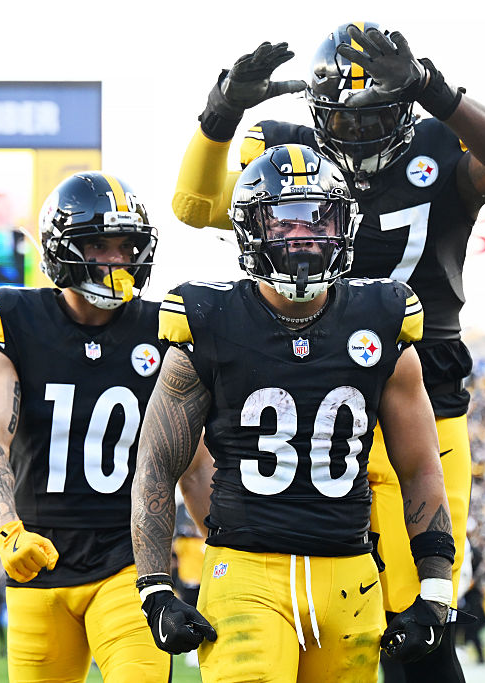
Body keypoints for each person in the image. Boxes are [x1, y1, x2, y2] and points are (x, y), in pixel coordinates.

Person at [172, 23, 485, 683]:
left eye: (374, 116)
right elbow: (195, 203)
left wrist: (435, 89)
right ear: (315, 113)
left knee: (421, 620)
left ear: (406, 109)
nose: (357, 131)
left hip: (420, 398)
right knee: (307, 614)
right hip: (306, 402)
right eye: (341, 116)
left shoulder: (440, 138)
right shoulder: (287, 154)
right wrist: (223, 109)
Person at [132, 144, 456, 683]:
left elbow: (420, 466)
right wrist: (155, 588)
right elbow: (157, 464)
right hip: (245, 573)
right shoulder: (208, 317)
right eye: (283, 220)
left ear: (343, 225)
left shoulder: (384, 316)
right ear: (251, 231)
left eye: (318, 217)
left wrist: (437, 589)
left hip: (351, 579)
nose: (303, 234)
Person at [0, 171, 173, 682]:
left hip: (131, 559)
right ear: (63, 248)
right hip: (39, 559)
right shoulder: (14, 317)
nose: (116, 261)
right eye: (99, 245)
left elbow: (187, 456)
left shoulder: (164, 326)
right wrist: (8, 530)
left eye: (127, 247)